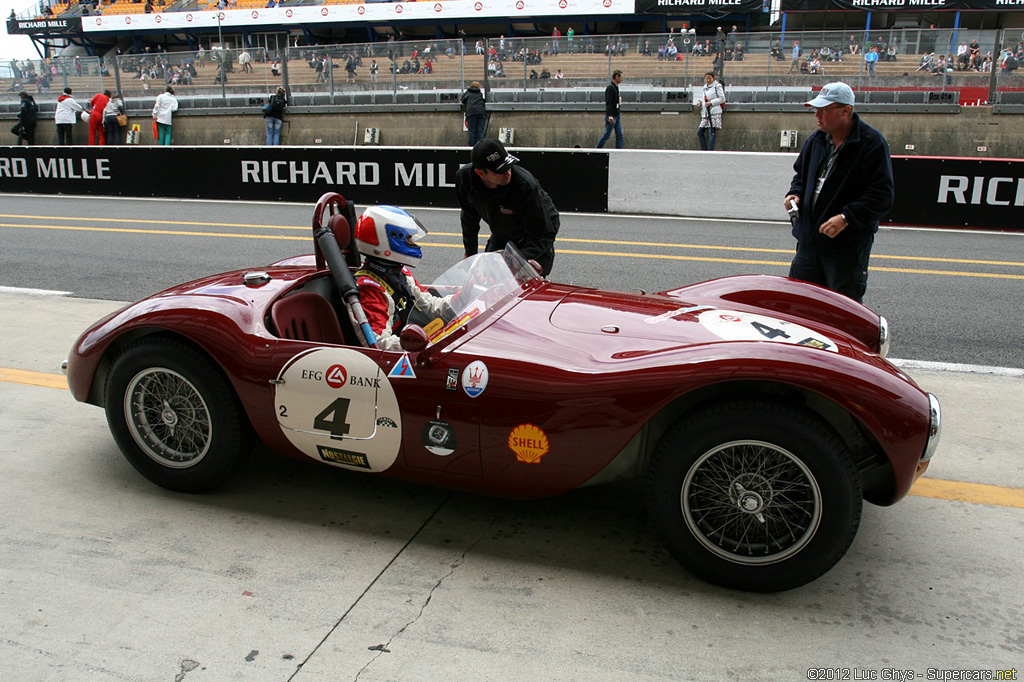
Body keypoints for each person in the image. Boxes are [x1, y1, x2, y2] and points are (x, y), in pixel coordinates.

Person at [783, 82, 894, 304]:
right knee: (799, 305)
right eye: (816, 109)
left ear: (846, 111)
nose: (817, 114)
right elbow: (801, 176)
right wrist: (794, 194)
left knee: (842, 309)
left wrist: (846, 218)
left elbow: (882, 195)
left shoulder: (871, 144)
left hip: (846, 248)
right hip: (809, 242)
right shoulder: (816, 140)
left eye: (824, 110)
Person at [354, 205, 453, 351]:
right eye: (407, 238)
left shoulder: (399, 272)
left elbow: (430, 305)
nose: (413, 243)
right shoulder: (370, 290)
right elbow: (380, 345)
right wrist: (426, 345)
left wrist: (462, 300)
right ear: (389, 240)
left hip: (411, 341)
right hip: (395, 363)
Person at [455, 139, 560, 276]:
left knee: (521, 282)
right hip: (502, 231)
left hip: (534, 236)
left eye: (509, 166)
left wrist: (516, 263)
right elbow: (469, 217)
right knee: (490, 276)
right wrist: (470, 253)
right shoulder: (465, 179)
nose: (507, 172)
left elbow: (544, 234)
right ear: (481, 173)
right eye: (500, 170)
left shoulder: (525, 185)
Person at [595, 69, 624, 149]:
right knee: (607, 134)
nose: (622, 79)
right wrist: (610, 115)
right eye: (621, 77)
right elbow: (608, 102)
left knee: (620, 134)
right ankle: (597, 149)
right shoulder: (610, 88)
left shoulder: (616, 88)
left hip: (617, 115)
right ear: (616, 77)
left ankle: (619, 150)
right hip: (612, 116)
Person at [697, 72, 725, 151]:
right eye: (707, 78)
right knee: (700, 132)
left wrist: (711, 103)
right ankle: (704, 150)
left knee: (711, 133)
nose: (708, 80)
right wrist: (700, 102)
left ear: (713, 78)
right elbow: (703, 98)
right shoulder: (704, 87)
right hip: (705, 113)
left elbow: (722, 98)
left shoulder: (717, 86)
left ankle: (710, 150)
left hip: (714, 112)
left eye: (710, 78)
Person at [461, 81, 487, 146]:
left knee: (472, 131)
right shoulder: (480, 93)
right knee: (480, 130)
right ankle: (482, 146)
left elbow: (462, 100)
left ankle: (472, 147)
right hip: (481, 112)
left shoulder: (467, 93)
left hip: (471, 113)